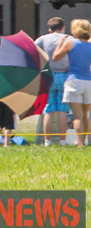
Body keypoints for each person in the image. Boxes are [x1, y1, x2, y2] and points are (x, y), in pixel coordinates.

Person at [53, 19, 91, 147]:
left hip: (74, 80)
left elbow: (56, 57)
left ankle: (80, 143)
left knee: (77, 116)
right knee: (85, 115)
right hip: (88, 81)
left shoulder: (71, 43)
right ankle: (85, 141)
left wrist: (60, 43)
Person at [35, 17, 71, 146]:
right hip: (64, 75)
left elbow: (32, 49)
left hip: (48, 75)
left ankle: (47, 141)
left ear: (50, 29)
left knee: (48, 109)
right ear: (63, 27)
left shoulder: (43, 39)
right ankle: (62, 141)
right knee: (62, 110)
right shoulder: (68, 39)